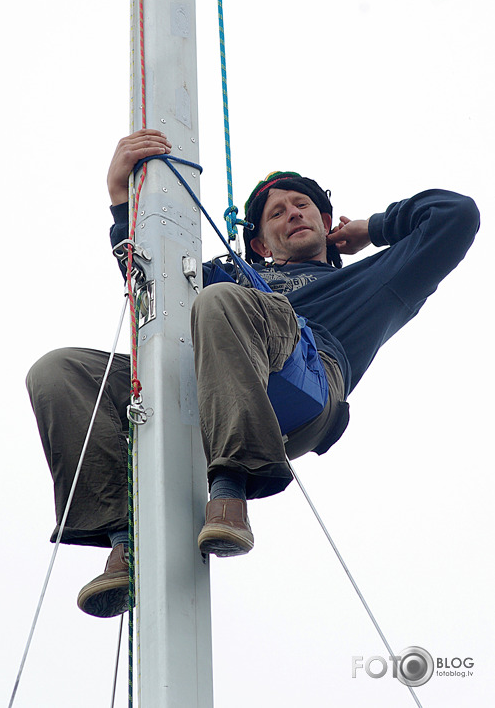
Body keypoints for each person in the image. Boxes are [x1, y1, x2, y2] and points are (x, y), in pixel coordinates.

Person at [26, 129, 480, 618]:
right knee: (59, 372)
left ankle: (230, 491)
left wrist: (372, 228)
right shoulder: (227, 276)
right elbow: (150, 285)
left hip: (303, 390)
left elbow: (455, 216)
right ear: (260, 243)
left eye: (302, 204)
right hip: (207, 383)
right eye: (278, 213)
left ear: (326, 222)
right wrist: (122, 203)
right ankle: (123, 541)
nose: (293, 213)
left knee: (221, 299)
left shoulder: (371, 279)